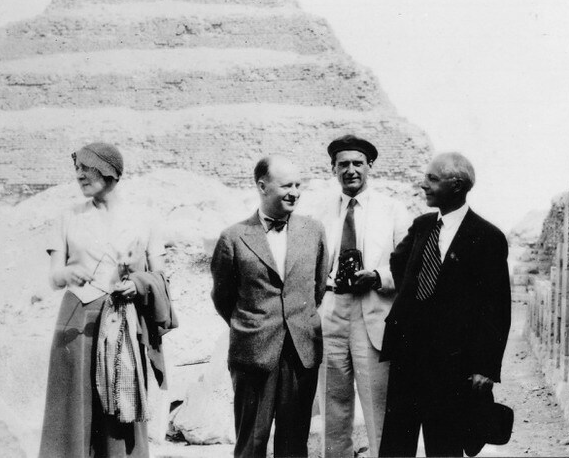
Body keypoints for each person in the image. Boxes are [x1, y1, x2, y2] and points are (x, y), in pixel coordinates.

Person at [39, 142, 175, 458]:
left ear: (109, 171)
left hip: (122, 324)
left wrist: (139, 285)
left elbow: (162, 277)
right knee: (73, 414)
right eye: (77, 170)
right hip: (77, 322)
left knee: (120, 409)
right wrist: (69, 275)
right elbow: (54, 277)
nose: (79, 176)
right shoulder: (67, 218)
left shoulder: (146, 218)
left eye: (86, 169)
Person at [378, 152, 511, 457]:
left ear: (457, 186)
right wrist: (415, 303)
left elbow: (496, 307)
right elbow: (399, 262)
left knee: (445, 444)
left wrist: (484, 367)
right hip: (408, 354)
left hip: (452, 363)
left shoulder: (487, 237)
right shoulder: (423, 226)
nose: (422, 184)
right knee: (397, 443)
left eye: (432, 179)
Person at [210, 156, 329, 458]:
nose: (294, 192)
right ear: (262, 186)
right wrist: (254, 325)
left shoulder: (314, 231)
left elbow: (316, 288)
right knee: (251, 443)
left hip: (301, 352)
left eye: (298, 185)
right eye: (286, 185)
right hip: (253, 352)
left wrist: (295, 321)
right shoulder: (233, 237)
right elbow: (223, 298)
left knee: (294, 444)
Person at [308, 135, 411, 457]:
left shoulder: (392, 210)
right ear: (333, 169)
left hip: (374, 315)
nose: (350, 170)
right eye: (343, 165)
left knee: (378, 408)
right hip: (332, 312)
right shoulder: (319, 212)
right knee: (333, 411)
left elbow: (411, 265)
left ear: (370, 167)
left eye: (357, 164)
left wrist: (378, 276)